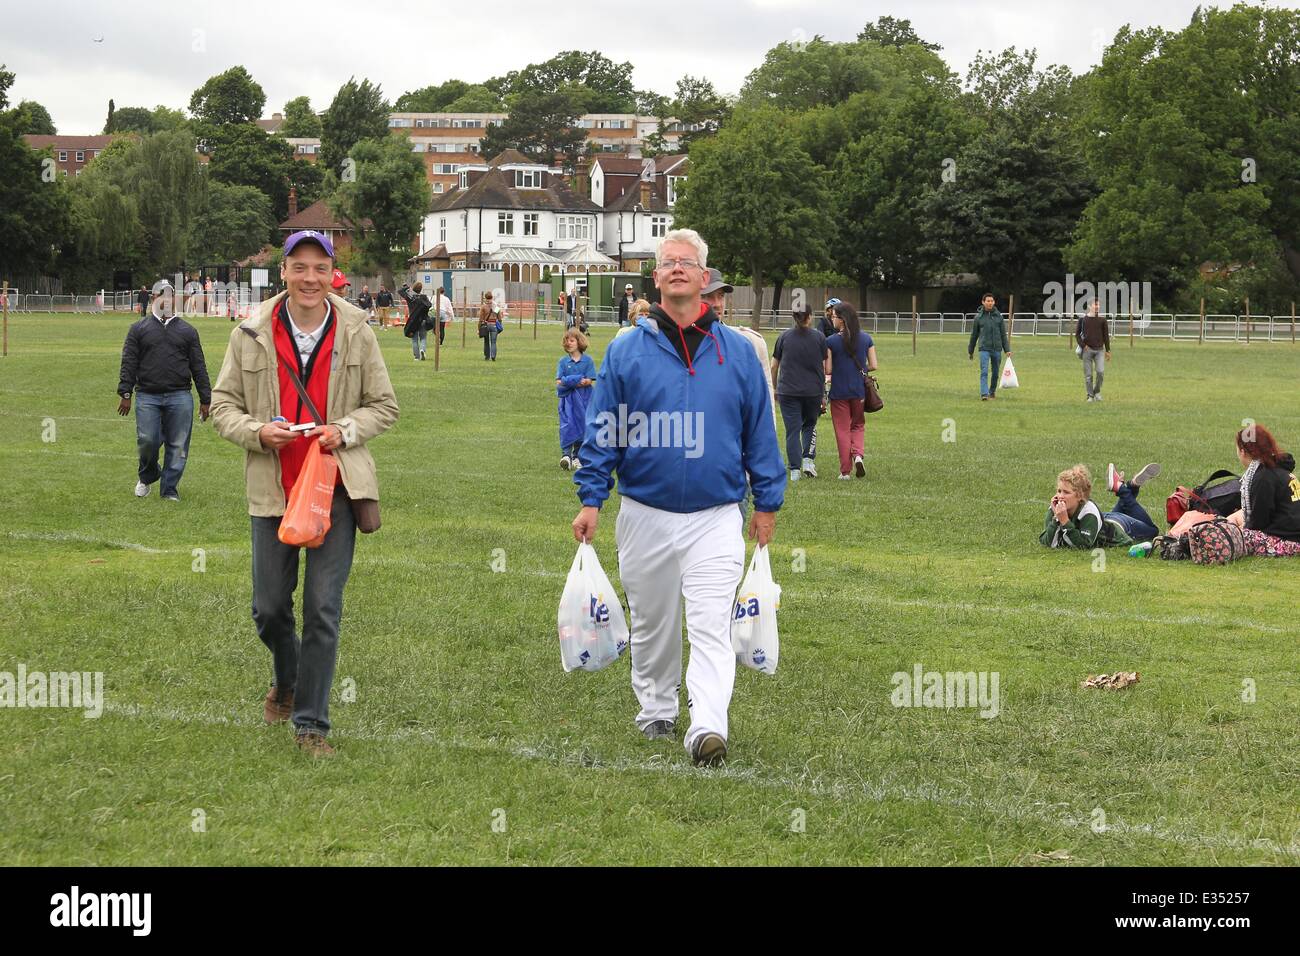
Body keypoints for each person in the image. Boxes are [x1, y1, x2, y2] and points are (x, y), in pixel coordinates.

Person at [571, 229, 784, 767]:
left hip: (716, 515)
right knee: (654, 623)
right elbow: (605, 431)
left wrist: (767, 500)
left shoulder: (738, 351)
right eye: (668, 263)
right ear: (657, 277)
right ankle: (657, 710)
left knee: (711, 623)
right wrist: (592, 497)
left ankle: (708, 726)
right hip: (644, 510)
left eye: (688, 262)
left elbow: (760, 429)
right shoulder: (626, 349)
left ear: (705, 277)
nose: (678, 269)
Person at [210, 229, 399, 757]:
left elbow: (383, 406)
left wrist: (344, 430)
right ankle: (288, 681)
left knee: (322, 607)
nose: (310, 279)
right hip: (273, 488)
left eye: (320, 268)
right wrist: (256, 432)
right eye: (300, 267)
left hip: (335, 488)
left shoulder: (358, 330)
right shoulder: (249, 332)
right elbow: (222, 405)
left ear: (332, 273)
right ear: (284, 272)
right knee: (269, 608)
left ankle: (311, 724)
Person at [116, 281, 211, 501]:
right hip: (147, 395)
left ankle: (169, 489)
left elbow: (199, 366)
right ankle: (148, 475)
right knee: (147, 440)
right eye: (162, 295)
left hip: (180, 395)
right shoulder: (138, 329)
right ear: (153, 299)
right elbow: (129, 362)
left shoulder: (188, 331)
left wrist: (206, 398)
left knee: (178, 445)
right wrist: (126, 393)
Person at [1041, 463, 1161, 549]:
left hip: (1120, 526)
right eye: (1059, 490)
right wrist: (1056, 519)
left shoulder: (1089, 511)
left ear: (1079, 496)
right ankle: (1129, 486)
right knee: (1126, 506)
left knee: (1153, 531)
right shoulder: (1056, 508)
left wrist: (1065, 521)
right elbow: (1047, 542)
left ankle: (1121, 488)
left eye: (1066, 492)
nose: (1060, 496)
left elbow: (1083, 545)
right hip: (1105, 520)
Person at [771, 308, 826, 481]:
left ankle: (794, 471)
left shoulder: (784, 337)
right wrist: (824, 392)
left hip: (788, 390)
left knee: (792, 430)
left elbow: (774, 365)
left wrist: (774, 387)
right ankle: (808, 461)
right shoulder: (819, 337)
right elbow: (823, 366)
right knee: (809, 425)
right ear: (809, 317)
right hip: (813, 391)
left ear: (794, 318)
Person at [823, 301, 876, 479]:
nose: (832, 319)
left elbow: (828, 370)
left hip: (839, 392)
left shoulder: (830, 341)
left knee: (842, 429)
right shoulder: (866, 338)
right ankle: (859, 455)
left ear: (842, 320)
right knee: (858, 425)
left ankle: (845, 470)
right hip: (859, 391)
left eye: (834, 316)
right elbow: (874, 365)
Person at [556, 328, 596, 470]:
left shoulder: (587, 361)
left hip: (584, 399)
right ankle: (565, 455)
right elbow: (560, 381)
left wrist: (571, 381)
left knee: (582, 425)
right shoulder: (563, 362)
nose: (569, 343)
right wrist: (576, 379)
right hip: (567, 399)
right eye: (567, 341)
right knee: (567, 425)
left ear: (579, 342)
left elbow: (589, 381)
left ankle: (577, 456)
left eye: (572, 340)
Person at [968, 293, 1011, 400]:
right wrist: (971, 350)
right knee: (984, 371)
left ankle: (992, 392)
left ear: (994, 302)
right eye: (988, 301)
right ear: (983, 302)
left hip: (997, 349)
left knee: (995, 373)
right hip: (984, 348)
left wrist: (1007, 350)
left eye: (991, 301)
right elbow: (974, 335)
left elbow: (1003, 335)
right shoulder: (978, 318)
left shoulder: (999, 317)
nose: (990, 303)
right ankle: (984, 394)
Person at [1075, 299, 1111, 402]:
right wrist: (1083, 346)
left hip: (1100, 350)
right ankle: (1090, 396)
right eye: (1095, 305)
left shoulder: (1102, 320)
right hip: (1087, 350)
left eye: (1098, 305)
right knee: (1088, 375)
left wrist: (1108, 350)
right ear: (1090, 306)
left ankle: (1096, 392)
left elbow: (1106, 336)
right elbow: (1077, 335)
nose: (1098, 306)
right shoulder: (1083, 320)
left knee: (1100, 372)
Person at [399, 280, 432, 360]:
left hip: (413, 321)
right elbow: (429, 305)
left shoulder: (411, 297)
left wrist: (407, 287)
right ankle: (422, 350)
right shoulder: (424, 297)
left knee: (414, 340)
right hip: (423, 320)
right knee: (423, 338)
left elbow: (400, 291)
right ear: (421, 289)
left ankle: (416, 357)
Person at [479, 291, 500, 361]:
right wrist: (499, 325)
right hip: (494, 325)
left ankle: (487, 356)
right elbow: (499, 318)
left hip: (486, 325)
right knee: (493, 342)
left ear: (485, 298)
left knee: (486, 341)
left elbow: (481, 319)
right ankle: (493, 356)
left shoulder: (483, 307)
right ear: (492, 297)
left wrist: (478, 329)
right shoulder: (496, 306)